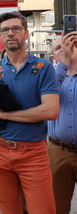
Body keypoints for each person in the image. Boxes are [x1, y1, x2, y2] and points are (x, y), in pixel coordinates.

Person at [0, 11, 59, 214]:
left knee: (43, 210)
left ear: (26, 33)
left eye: (16, 29)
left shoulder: (43, 67)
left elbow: (50, 110)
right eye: (5, 30)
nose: (10, 33)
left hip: (33, 153)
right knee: (8, 210)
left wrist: (5, 115)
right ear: (0, 36)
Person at [48, 31, 77, 213]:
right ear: (54, 56)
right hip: (58, 151)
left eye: (71, 43)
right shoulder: (50, 76)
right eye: (59, 47)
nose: (66, 48)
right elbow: (49, 93)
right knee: (56, 206)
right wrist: (64, 65)